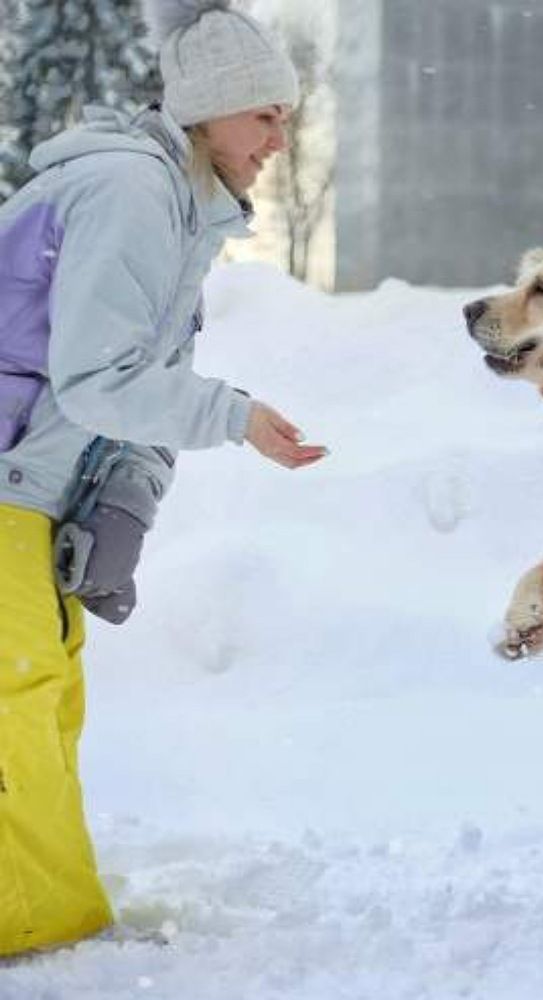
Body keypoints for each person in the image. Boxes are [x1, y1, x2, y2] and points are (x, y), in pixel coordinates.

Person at [0, 0, 326, 956]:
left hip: (26, 488)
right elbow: (101, 380)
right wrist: (237, 420)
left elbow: (142, 373)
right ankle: (39, 925)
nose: (280, 137)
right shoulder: (133, 193)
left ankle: (41, 908)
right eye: (265, 113)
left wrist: (124, 502)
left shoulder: (175, 208)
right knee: (18, 701)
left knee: (46, 693)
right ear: (211, 108)